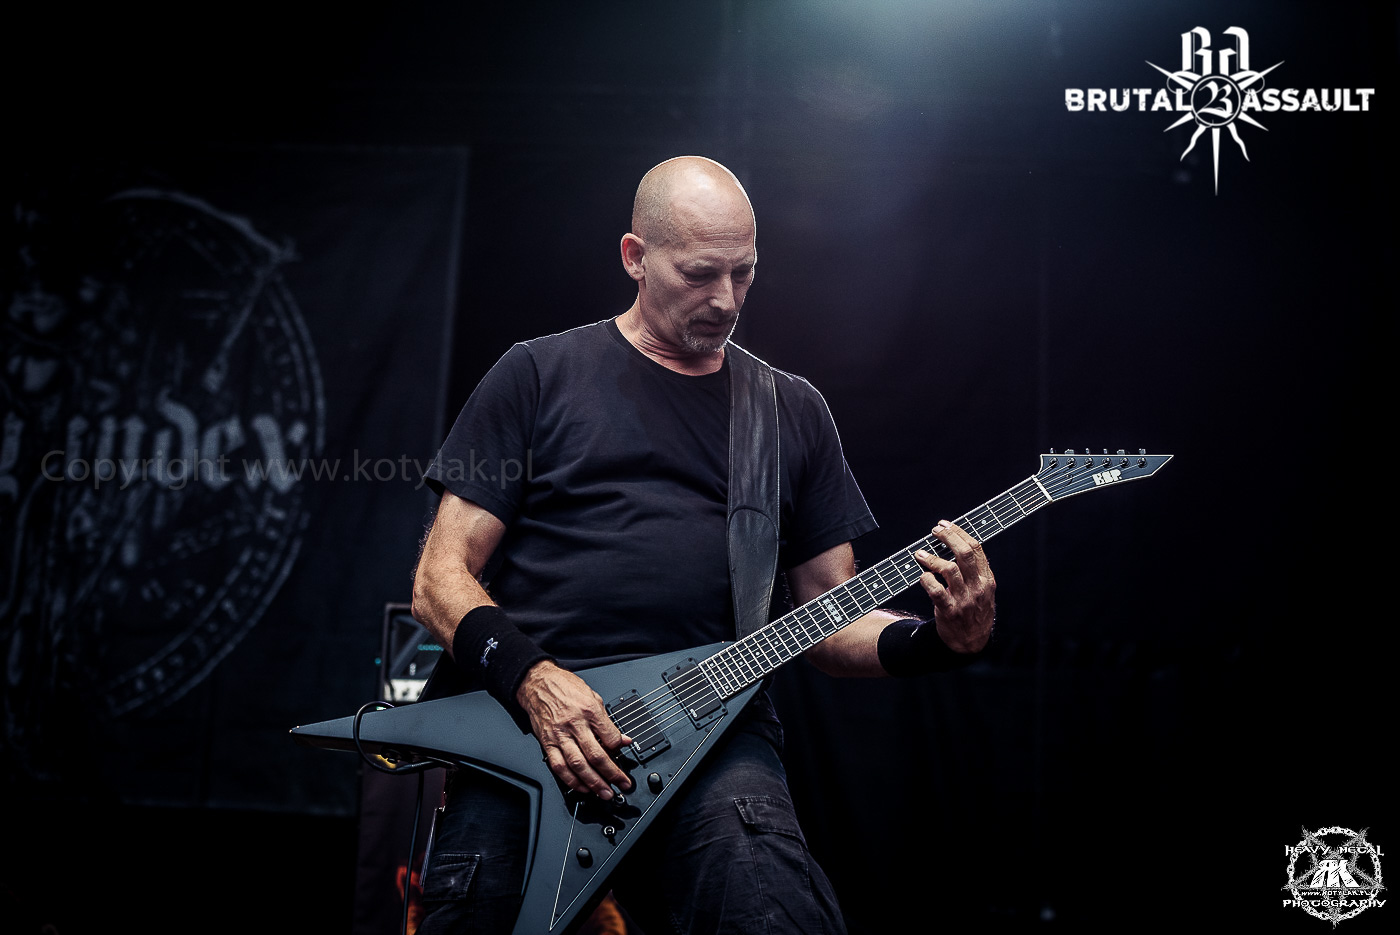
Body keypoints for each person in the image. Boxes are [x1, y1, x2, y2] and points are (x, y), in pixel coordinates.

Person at [409, 155, 996, 934]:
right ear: (635, 256)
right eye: (699, 273)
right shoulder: (536, 374)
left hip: (713, 733)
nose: (725, 298)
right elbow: (439, 577)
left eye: (742, 272)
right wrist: (535, 680)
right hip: (524, 729)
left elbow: (829, 615)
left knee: (772, 912)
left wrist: (941, 639)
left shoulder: (787, 411)